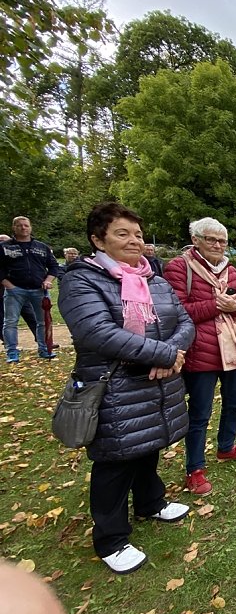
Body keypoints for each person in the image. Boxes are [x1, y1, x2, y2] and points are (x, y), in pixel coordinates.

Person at [58, 202, 195, 574]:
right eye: (122, 233)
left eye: (137, 233)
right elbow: (97, 332)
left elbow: (184, 322)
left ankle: (151, 502)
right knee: (115, 461)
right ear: (97, 239)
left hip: (156, 382)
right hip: (114, 388)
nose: (134, 240)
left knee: (147, 446)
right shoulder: (81, 279)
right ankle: (111, 538)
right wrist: (165, 354)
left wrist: (170, 353)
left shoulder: (154, 278)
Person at [164, 217, 236, 497]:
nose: (218, 245)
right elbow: (177, 311)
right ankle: (195, 467)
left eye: (222, 241)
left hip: (232, 349)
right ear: (196, 240)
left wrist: (235, 305)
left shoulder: (229, 270)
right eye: (211, 239)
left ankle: (226, 447)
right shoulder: (180, 267)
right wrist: (216, 305)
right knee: (200, 413)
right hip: (200, 351)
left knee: (234, 403)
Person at [0, 216, 59, 363]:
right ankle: (12, 352)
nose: (23, 228)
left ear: (30, 227)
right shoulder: (5, 247)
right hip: (15, 290)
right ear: (14, 228)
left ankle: (44, 349)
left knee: (43, 322)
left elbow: (53, 266)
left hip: (39, 290)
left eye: (26, 225)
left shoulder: (41, 247)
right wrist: (8, 285)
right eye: (19, 226)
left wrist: (48, 280)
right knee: (10, 322)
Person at [0, 234, 39, 346]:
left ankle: (41, 338)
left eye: (4, 241)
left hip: (19, 290)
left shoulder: (17, 255)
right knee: (5, 319)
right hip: (3, 292)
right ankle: (8, 342)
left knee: (30, 315)